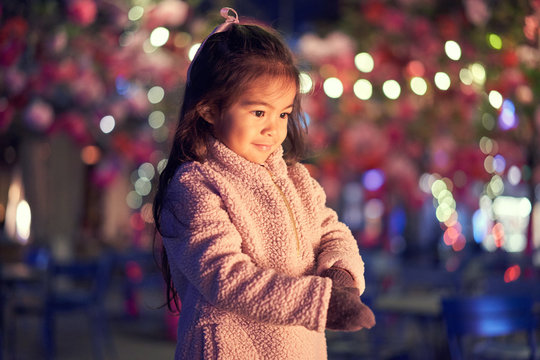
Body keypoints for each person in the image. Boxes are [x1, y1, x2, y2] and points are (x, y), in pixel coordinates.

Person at [152, 7, 375, 359]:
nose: (273, 128)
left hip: (299, 348)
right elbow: (227, 276)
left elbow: (332, 231)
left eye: (283, 113)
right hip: (231, 348)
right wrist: (320, 304)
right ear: (210, 109)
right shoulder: (196, 186)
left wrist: (340, 277)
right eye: (258, 112)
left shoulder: (295, 177)